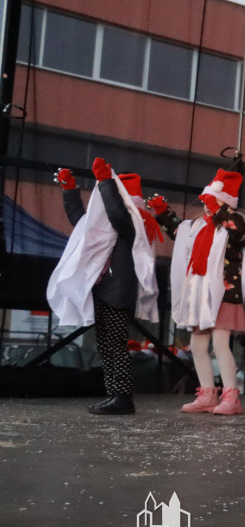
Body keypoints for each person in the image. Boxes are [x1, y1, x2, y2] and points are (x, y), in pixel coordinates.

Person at [48, 160, 160, 415]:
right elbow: (81, 222)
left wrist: (107, 182)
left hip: (118, 292)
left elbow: (118, 214)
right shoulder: (106, 227)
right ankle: (115, 395)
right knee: (106, 346)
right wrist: (69, 189)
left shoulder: (134, 222)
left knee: (115, 345)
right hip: (104, 289)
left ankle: (123, 397)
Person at [149, 169, 245, 416]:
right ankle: (207, 393)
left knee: (220, 344)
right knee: (197, 346)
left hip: (224, 294)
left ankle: (231, 396)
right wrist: (162, 212)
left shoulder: (233, 225)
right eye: (206, 201)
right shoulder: (198, 226)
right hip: (200, 296)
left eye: (214, 202)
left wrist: (219, 209)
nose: (208, 206)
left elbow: (240, 229)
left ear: (225, 204)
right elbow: (178, 231)